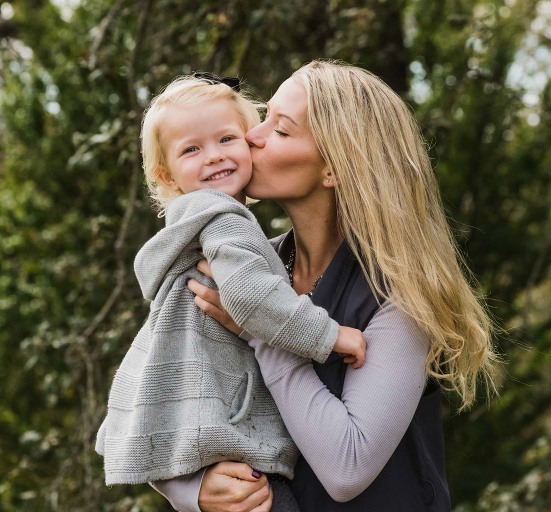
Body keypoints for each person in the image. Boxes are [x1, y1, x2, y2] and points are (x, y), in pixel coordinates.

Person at [154, 60, 499, 512]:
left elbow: (347, 467)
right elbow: (164, 393)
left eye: (281, 130)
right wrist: (191, 489)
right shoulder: (244, 267)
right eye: (265, 118)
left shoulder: (399, 296)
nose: (251, 135)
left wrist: (262, 330)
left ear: (333, 168)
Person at [95, 74, 366, 511]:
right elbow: (250, 297)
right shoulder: (224, 220)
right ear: (167, 174)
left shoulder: (199, 224)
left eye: (226, 138)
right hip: (233, 434)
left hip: (207, 420)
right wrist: (331, 336)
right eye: (192, 149)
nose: (215, 157)